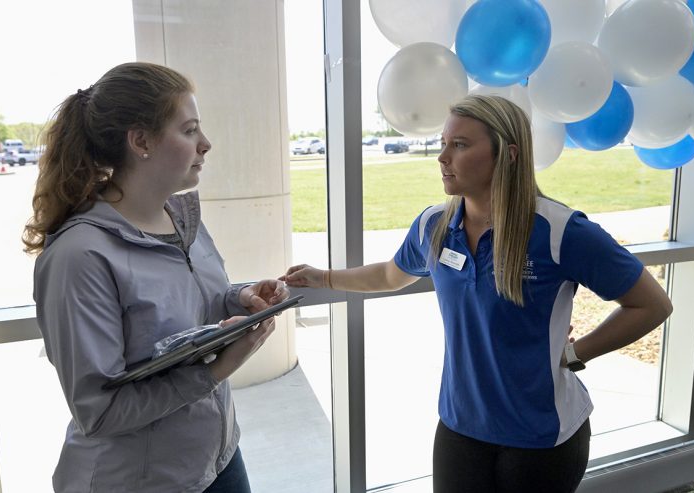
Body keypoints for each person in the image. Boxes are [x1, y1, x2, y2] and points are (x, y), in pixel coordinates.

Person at [282, 95, 673, 493]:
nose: (442, 157)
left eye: (460, 145)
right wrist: (323, 278)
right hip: (461, 426)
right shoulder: (434, 225)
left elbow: (651, 304)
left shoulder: (560, 231)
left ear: (508, 154)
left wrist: (575, 353)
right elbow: (389, 275)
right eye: (443, 143)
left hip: (542, 434)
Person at [23, 62, 288, 493]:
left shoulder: (183, 220)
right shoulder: (79, 257)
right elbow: (100, 411)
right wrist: (216, 371)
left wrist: (241, 297)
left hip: (218, 459)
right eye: (190, 130)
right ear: (141, 142)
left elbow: (187, 307)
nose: (205, 144)